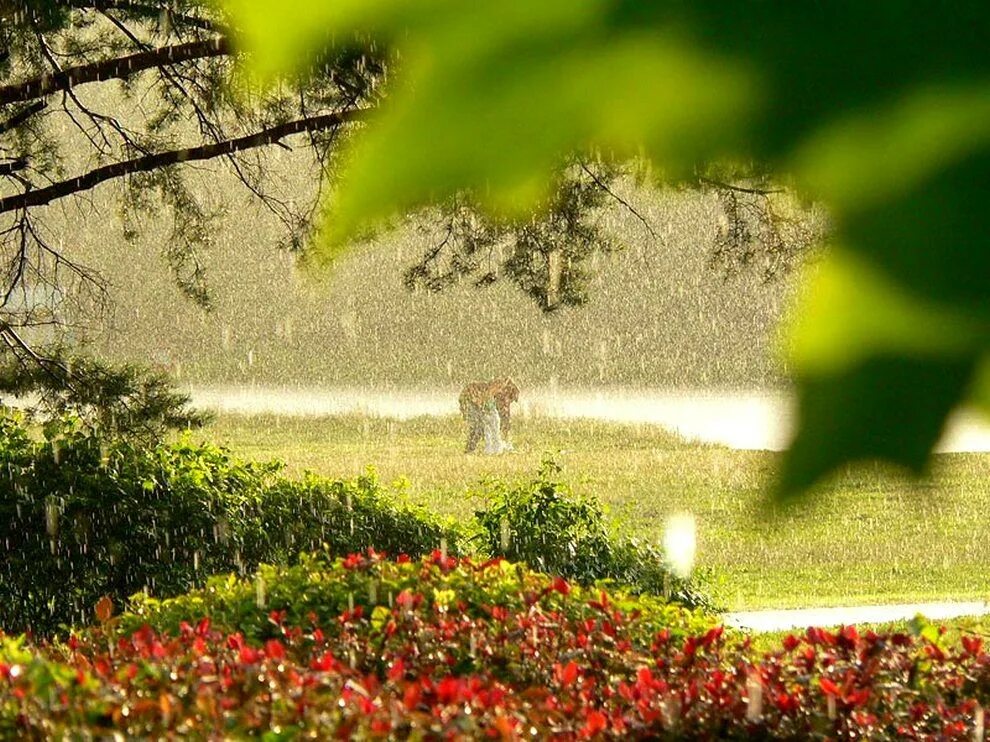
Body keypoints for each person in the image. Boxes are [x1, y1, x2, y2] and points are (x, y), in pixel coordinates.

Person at [458, 377, 519, 454]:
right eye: (508, 400)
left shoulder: (499, 392)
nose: (506, 403)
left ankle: (471, 449)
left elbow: (504, 415)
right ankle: (470, 450)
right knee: (478, 427)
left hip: (473, 400)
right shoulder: (496, 388)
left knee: (480, 427)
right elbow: (483, 401)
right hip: (470, 399)